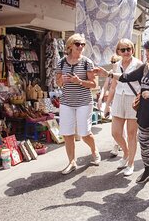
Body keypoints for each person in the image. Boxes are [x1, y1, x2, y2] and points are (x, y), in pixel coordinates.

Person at [95, 36, 149, 206]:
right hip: (144, 115)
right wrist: (109, 74)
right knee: (144, 148)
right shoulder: (145, 68)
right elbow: (127, 77)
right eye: (145, 50)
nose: (146, 53)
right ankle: (148, 170)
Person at [56, 33, 101, 175]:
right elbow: (57, 82)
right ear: (70, 46)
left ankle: (94, 151)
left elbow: (94, 84)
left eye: (83, 44)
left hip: (83, 101)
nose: (81, 46)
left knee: (84, 132)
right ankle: (72, 162)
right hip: (66, 102)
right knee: (67, 133)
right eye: (78, 44)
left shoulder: (87, 62)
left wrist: (79, 81)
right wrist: (62, 80)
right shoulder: (61, 62)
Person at [103, 39, 143, 176]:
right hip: (119, 98)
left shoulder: (139, 64)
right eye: (123, 49)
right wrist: (107, 105)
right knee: (115, 133)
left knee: (132, 134)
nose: (126, 52)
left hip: (133, 99)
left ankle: (131, 163)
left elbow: (143, 84)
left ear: (132, 49)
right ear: (118, 51)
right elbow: (113, 87)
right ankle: (126, 152)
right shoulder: (116, 66)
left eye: (129, 49)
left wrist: (141, 96)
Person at [97, 54, 121, 158]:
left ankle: (119, 144)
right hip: (113, 101)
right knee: (116, 125)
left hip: (122, 101)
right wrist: (100, 98)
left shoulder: (122, 73)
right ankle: (118, 144)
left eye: (115, 62)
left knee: (122, 126)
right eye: (112, 62)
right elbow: (105, 87)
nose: (113, 64)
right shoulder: (110, 73)